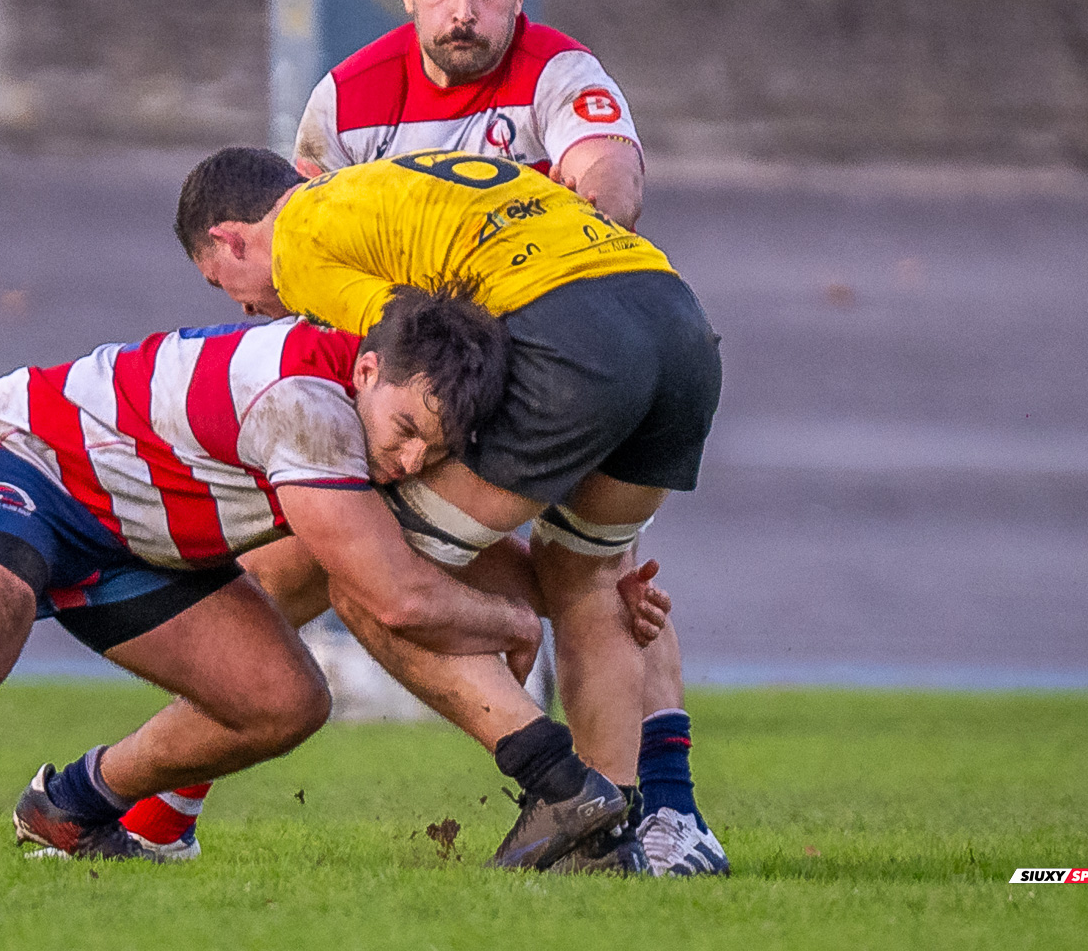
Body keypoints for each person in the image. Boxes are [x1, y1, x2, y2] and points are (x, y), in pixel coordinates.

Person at [0, 287, 624, 871]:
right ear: (365, 371)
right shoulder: (308, 409)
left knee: (283, 702)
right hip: (15, 456)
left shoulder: (366, 416)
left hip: (130, 541)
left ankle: (71, 806)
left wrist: (583, 592)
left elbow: (443, 548)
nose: (406, 461)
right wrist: (511, 619)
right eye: (406, 432)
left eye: (431, 449)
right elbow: (401, 595)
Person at [282, 0, 725, 878]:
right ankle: (654, 826)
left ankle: (156, 788)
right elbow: (317, 266)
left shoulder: (560, 73)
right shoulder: (345, 101)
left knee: (366, 572)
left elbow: (612, 187)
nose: (465, 11)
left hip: (559, 361)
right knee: (596, 579)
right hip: (476, 382)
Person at [178, 146, 723, 874]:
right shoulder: (382, 186)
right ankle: (606, 841)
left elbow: (409, 357)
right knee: (589, 581)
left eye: (225, 282)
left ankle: (559, 787)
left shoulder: (298, 241)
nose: (246, 304)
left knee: (374, 581)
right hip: (679, 325)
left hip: (572, 333)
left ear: (230, 237)